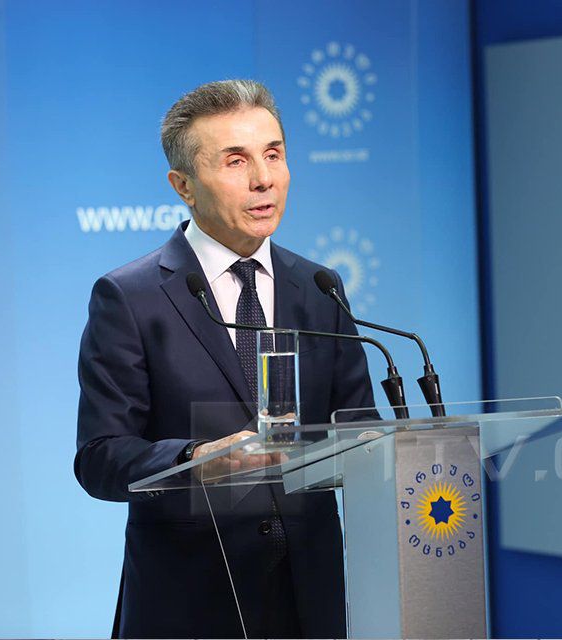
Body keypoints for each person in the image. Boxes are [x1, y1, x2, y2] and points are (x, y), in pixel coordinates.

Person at [74, 79, 375, 638]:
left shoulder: (320, 288)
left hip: (310, 602)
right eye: (236, 161)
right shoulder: (130, 297)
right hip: (189, 603)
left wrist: (392, 450)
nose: (264, 178)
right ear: (183, 186)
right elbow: (99, 458)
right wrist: (196, 460)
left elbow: (358, 429)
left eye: (273, 154)